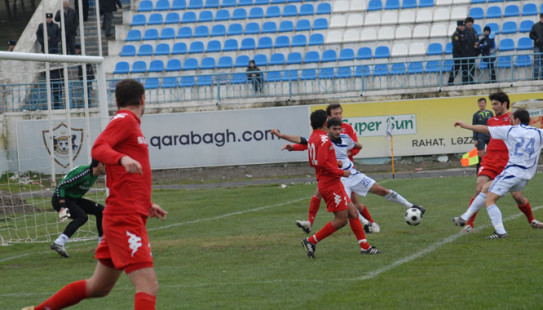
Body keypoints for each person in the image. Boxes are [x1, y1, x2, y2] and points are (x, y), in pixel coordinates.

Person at [22, 79, 168, 310]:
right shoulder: (125, 120)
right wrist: (122, 158)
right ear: (143, 99)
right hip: (124, 218)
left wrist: (145, 203)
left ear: (116, 100)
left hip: (126, 213)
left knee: (98, 287)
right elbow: (98, 148)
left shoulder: (130, 124)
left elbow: (127, 180)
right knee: (148, 286)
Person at [273, 118, 425, 231]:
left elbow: (357, 145)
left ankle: (411, 205)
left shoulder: (345, 138)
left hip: (352, 173)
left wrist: (354, 148)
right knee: (349, 206)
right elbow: (302, 140)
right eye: (334, 129)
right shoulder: (323, 140)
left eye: (339, 129)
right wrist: (282, 137)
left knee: (380, 190)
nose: (337, 132)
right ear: (328, 129)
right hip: (338, 178)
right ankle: (367, 225)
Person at [454, 92, 543, 233]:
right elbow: (486, 132)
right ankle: (468, 224)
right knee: (480, 187)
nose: (493, 107)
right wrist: (481, 147)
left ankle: (530, 220)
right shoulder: (492, 120)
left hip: (508, 163)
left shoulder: (512, 121)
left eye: (495, 104)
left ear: (504, 104)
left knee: (517, 196)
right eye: (492, 104)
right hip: (491, 160)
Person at [301, 110, 380, 259]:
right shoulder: (324, 139)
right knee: (342, 220)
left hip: (329, 181)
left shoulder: (312, 138)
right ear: (325, 122)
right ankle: (311, 241)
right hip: (331, 184)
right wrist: (340, 172)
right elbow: (323, 162)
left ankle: (365, 247)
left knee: (353, 213)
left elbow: (315, 162)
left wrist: (333, 163)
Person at [50, 160, 106, 258]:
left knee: (101, 211)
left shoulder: (95, 173)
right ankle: (59, 243)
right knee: (82, 217)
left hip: (74, 199)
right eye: (107, 165)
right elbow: (60, 187)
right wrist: (63, 205)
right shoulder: (83, 173)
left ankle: (102, 246)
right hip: (60, 199)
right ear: (100, 165)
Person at [472, 97, 493, 171]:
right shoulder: (476, 115)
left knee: (492, 153)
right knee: (480, 155)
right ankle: (479, 171)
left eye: (483, 103)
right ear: (478, 104)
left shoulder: (490, 113)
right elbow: (474, 127)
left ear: (485, 104)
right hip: (480, 136)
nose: (481, 104)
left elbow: (493, 125)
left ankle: (492, 169)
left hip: (490, 136)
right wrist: (475, 139)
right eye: (480, 103)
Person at [448, 20, 467, 86]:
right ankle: (450, 82)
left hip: (464, 55)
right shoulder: (456, 35)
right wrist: (463, 53)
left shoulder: (464, 33)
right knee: (456, 68)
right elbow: (457, 46)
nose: (462, 27)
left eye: (463, 26)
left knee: (465, 68)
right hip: (458, 55)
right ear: (458, 26)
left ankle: (465, 82)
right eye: (461, 26)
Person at [464, 17, 479, 84]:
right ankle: (466, 81)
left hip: (473, 52)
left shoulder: (474, 31)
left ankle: (471, 80)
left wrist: (477, 44)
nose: (470, 24)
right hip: (466, 52)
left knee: (472, 67)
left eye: (471, 22)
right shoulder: (464, 31)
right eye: (468, 22)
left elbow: (477, 39)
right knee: (466, 67)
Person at [529, 13, 543, 80]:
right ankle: (535, 78)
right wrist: (536, 39)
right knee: (536, 62)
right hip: (537, 46)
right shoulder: (535, 26)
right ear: (540, 18)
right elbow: (531, 35)